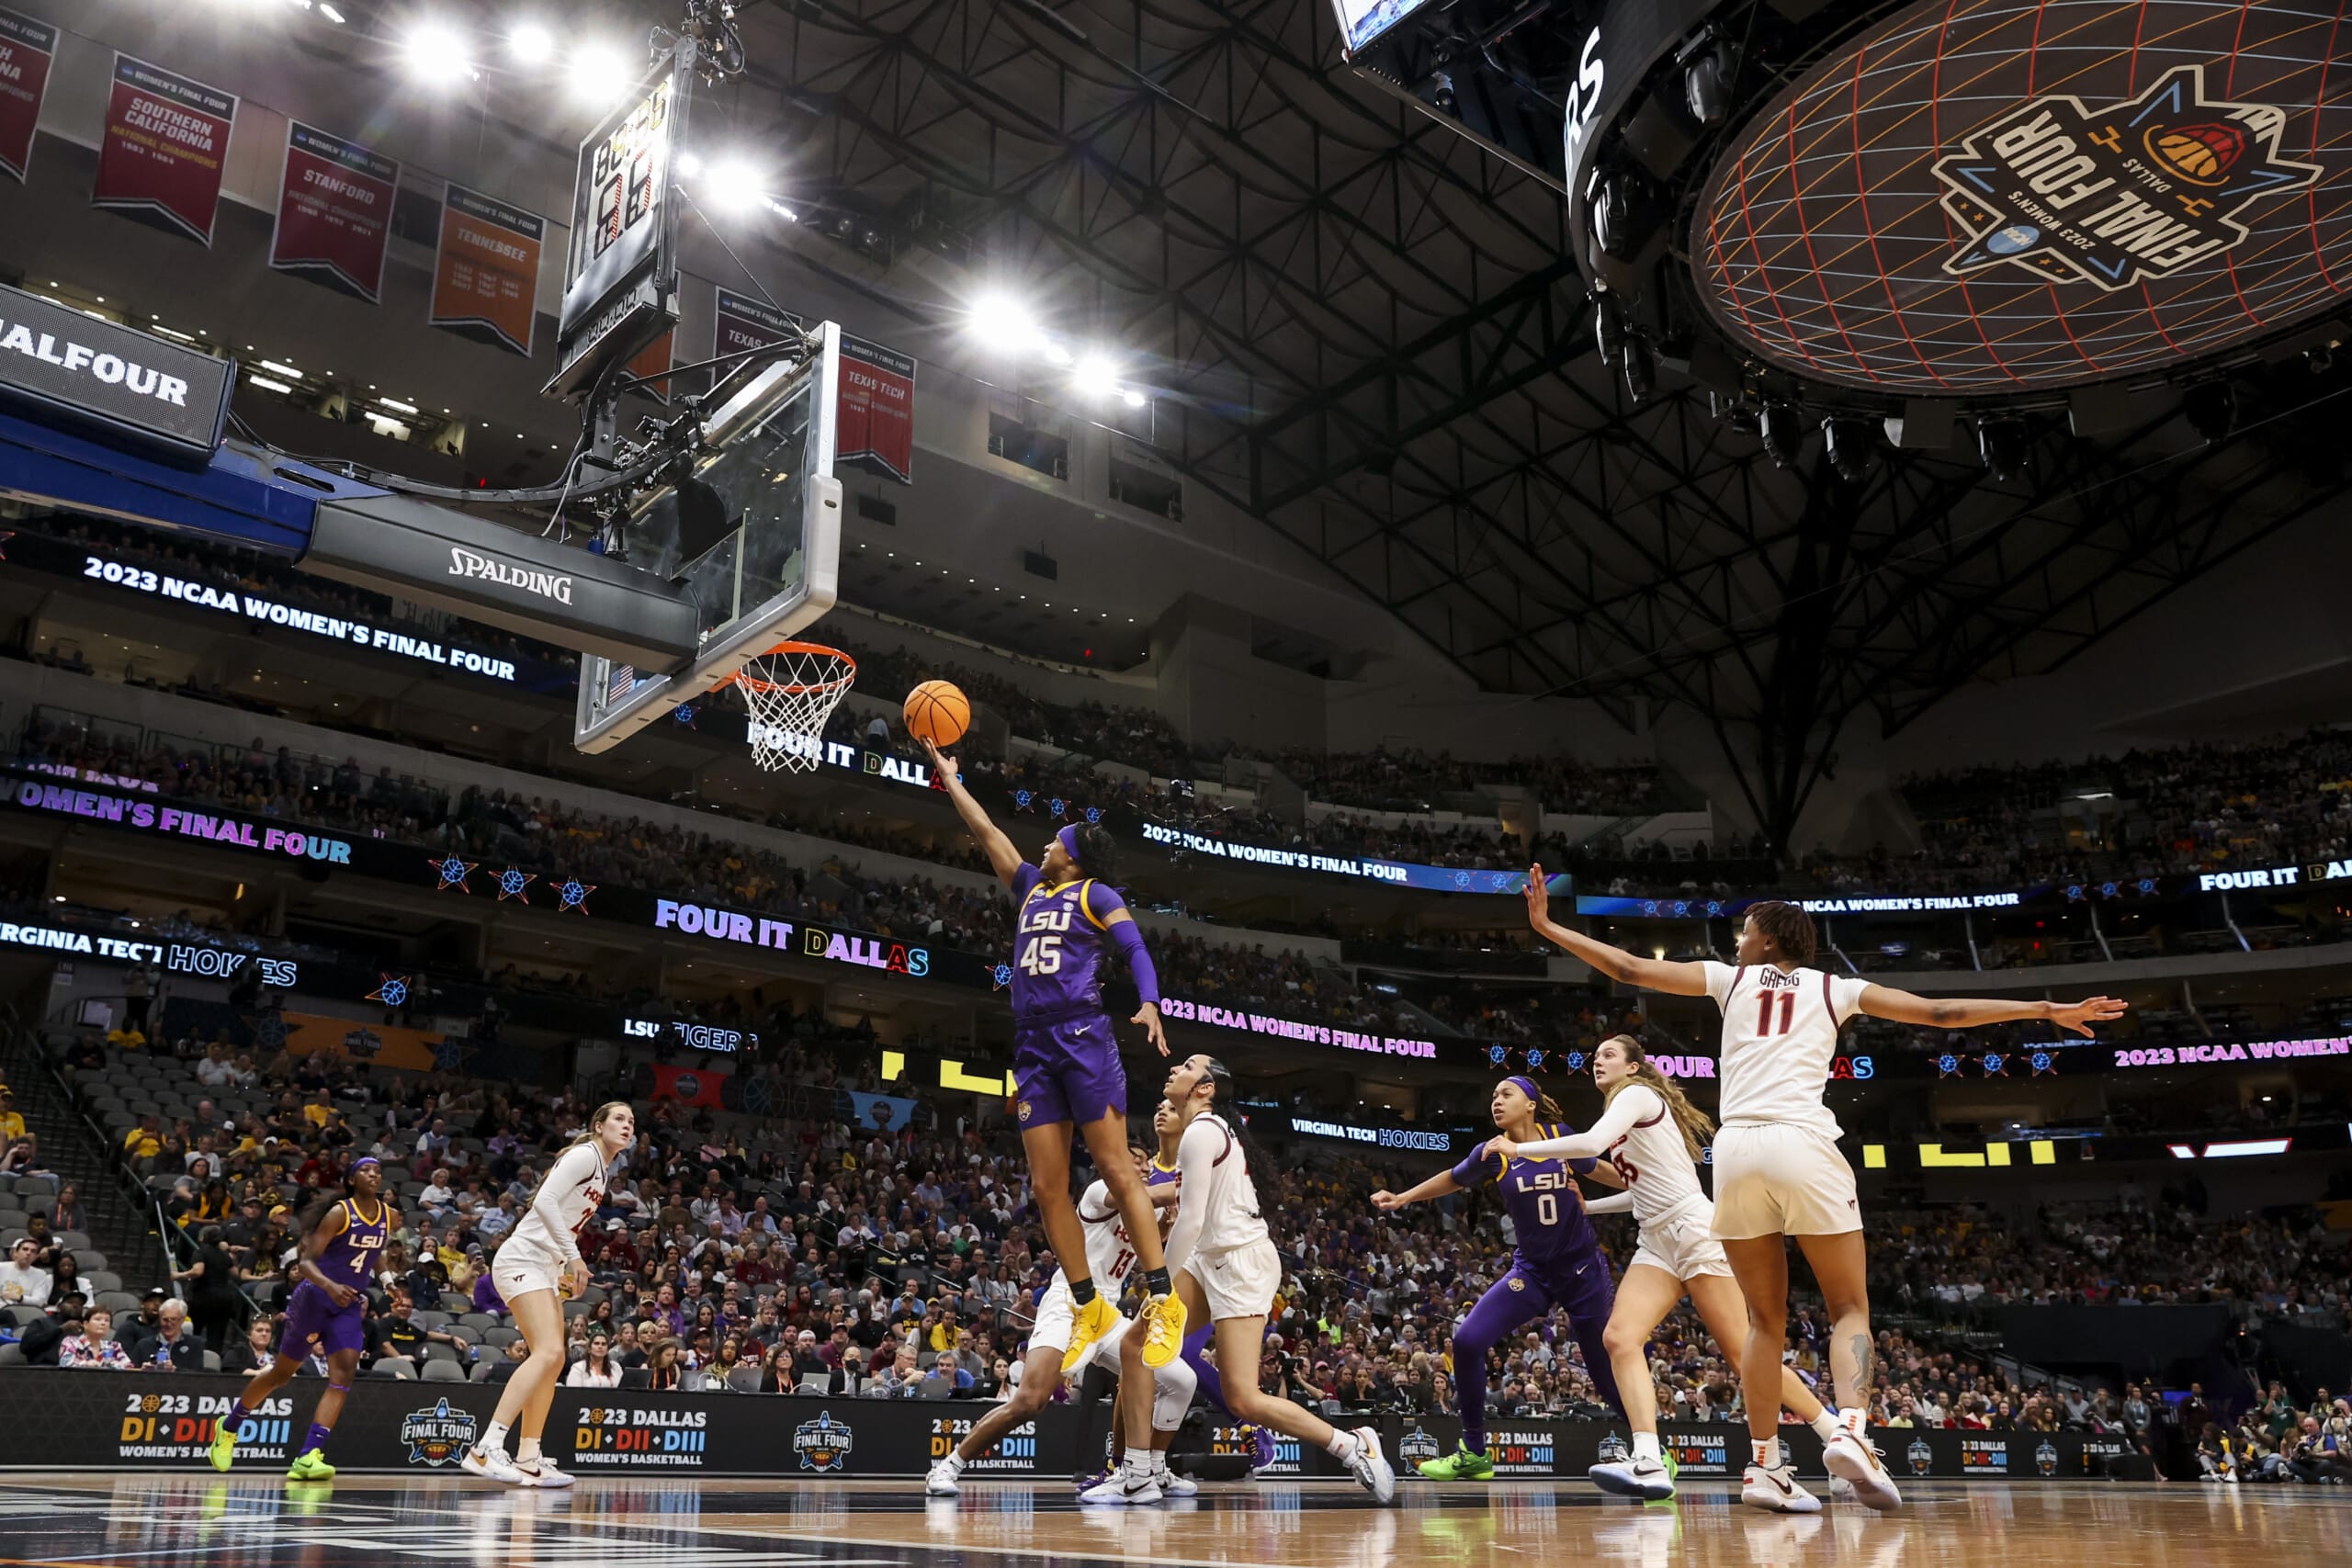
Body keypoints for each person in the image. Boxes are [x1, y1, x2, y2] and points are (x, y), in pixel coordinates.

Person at [1520, 870, 2125, 1512]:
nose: (1736, 941)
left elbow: (1630, 968)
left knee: (1762, 1323)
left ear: (1771, 939)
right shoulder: (1839, 989)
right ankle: (1854, 1434)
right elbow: (1941, 1014)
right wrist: (2043, 1008)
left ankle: (1763, 1467)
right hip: (1802, 1144)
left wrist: (1548, 927)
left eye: (1744, 931)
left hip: (1736, 1150)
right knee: (1849, 1308)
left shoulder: (1731, 981)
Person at [1487, 1034, 1848, 1502]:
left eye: (1609, 1055)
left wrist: (1517, 1151)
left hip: (1693, 1230)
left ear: (1634, 1067)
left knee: (1744, 1357)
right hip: (1656, 1240)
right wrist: (1591, 1210)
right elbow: (1642, 1191)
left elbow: (1591, 1143)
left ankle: (1835, 1432)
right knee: (1619, 1338)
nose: (1598, 1061)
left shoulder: (1635, 1097)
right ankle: (1650, 1460)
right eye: (1594, 1057)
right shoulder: (1623, 1116)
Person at [923, 736, 1182, 1371]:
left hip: (1083, 1035)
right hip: (1033, 1043)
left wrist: (1149, 1001)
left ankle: (1162, 1299)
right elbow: (987, 833)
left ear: (1076, 852)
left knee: (1119, 1172)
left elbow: (1137, 951)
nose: (1045, 841)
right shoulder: (1034, 886)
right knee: (1046, 1186)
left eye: (1057, 836)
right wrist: (953, 781)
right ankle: (1089, 1305)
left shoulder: (1098, 895)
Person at [1122, 1055, 1395, 1506]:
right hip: (1209, 1259)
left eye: (1188, 1066)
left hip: (1241, 1263)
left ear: (1205, 1088)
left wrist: (1159, 1285)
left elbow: (1188, 1221)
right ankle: (1137, 1472)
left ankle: (1352, 1446)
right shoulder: (1202, 1132)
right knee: (1134, 1344)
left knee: (1244, 1399)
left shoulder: (1203, 1130)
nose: (1175, 1069)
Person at [1373, 1074, 1623, 1483]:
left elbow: (1597, 1169)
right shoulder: (1493, 1152)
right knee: (1468, 1341)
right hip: (1534, 1271)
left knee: (1602, 1365)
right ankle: (1473, 1452)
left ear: (1531, 1103)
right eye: (1493, 1095)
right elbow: (1453, 1177)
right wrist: (1403, 1197)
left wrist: (1646, 1181)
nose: (1496, 1101)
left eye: (1506, 1094)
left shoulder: (1559, 1136)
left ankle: (1652, 1450)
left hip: (1581, 1271)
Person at [927, 1142, 1185, 1497]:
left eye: (1146, 1164)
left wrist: (1167, 1230)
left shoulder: (1147, 1211)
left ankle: (1137, 1471)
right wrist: (1202, 1180)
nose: (1143, 1168)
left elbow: (1144, 1252)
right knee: (1031, 1400)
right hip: (1071, 1300)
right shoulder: (1100, 1191)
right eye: (1134, 1160)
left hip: (1107, 1312)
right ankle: (948, 1465)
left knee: (1164, 1378)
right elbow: (1150, 1196)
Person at [462, 1101, 635, 1487]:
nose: (627, 1126)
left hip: (543, 1265)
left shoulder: (604, 1170)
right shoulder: (585, 1154)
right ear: (599, 1125)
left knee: (553, 1361)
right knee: (550, 1352)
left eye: (631, 1121)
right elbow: (543, 1202)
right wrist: (574, 1259)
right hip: (523, 1257)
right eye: (619, 1119)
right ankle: (486, 1447)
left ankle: (528, 1456)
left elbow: (563, 1223)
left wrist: (562, 1267)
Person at [207, 1157, 392, 1480]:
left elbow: (376, 1251)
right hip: (316, 1298)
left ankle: (309, 1455)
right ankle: (230, 1425)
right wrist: (330, 1286)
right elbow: (305, 1263)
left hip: (347, 1303)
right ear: (350, 1180)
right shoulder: (340, 1213)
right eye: (365, 1169)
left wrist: (389, 1281)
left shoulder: (389, 1215)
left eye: (377, 1170)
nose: (373, 1174)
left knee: (344, 1374)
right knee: (281, 1375)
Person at [173, 1224, 244, 1354]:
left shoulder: (201, 1252)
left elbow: (198, 1271)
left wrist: (179, 1275)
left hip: (204, 1296)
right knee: (217, 1334)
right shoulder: (224, 1256)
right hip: (224, 1298)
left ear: (203, 1238)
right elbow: (236, 1273)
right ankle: (214, 1361)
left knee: (195, 1329)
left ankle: (190, 1356)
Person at [60, 1306, 134, 1370]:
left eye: (107, 1320)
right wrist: (86, 1364)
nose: (103, 1323)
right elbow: (65, 1365)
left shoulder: (114, 1346)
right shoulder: (71, 1342)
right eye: (98, 1319)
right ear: (86, 1324)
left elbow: (129, 1367)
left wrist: (109, 1365)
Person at [0, 1237, 51, 1309]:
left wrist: (20, 1298)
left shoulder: (40, 1274)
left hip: (24, 1311)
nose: (28, 1253)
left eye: (33, 1251)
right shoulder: (1, 1268)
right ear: (16, 1253)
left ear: (36, 1257)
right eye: (25, 1249)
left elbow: (40, 1301)